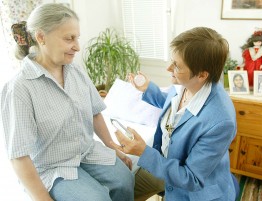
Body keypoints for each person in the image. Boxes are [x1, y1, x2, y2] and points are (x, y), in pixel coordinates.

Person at [0, 3, 134, 201]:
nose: (77, 46)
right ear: (41, 37)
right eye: (69, 38)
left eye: (77, 38)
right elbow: (19, 155)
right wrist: (42, 198)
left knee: (124, 181)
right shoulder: (19, 88)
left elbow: (95, 112)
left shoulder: (76, 70)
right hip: (52, 167)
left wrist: (111, 145)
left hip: (87, 153)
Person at [111, 27, 239, 201]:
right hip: (168, 168)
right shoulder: (186, 84)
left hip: (194, 193)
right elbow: (172, 105)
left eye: (176, 66)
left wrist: (143, 152)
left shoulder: (221, 121)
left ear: (201, 75)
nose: (168, 68)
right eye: (172, 61)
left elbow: (191, 178)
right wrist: (149, 89)